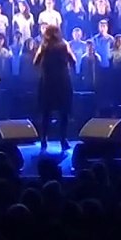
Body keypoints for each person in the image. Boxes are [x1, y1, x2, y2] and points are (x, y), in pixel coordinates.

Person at [33, 24, 75, 152]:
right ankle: (63, 140)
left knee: (46, 113)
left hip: (48, 83)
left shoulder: (44, 46)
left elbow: (35, 62)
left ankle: (44, 139)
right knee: (64, 113)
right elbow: (73, 61)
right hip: (63, 82)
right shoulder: (64, 45)